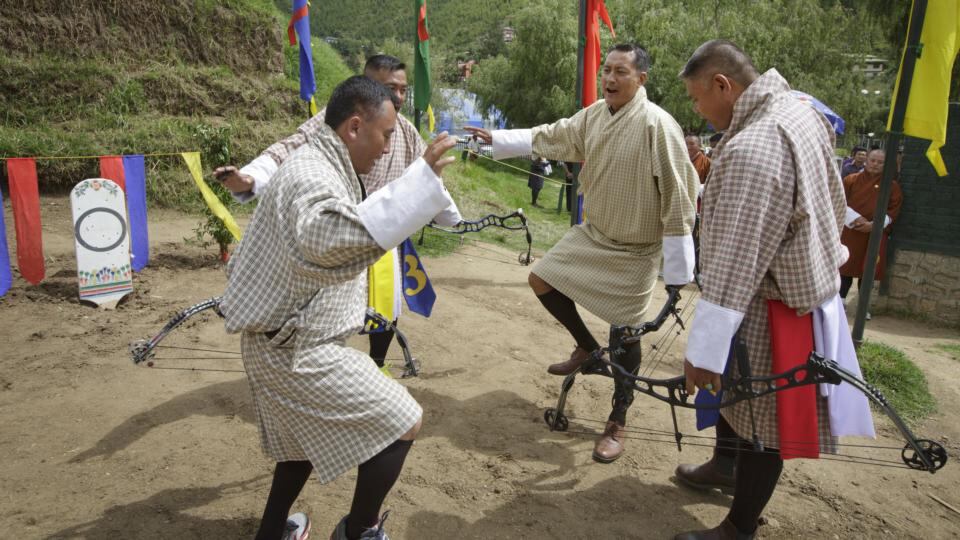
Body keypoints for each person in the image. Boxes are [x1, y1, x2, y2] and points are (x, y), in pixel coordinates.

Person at [219, 76, 459, 540]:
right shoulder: (313, 173)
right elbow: (323, 234)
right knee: (402, 421)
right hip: (295, 350)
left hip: (281, 340)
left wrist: (425, 193)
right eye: (386, 136)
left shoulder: (322, 161)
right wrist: (416, 190)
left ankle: (273, 532)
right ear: (353, 127)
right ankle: (359, 531)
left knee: (300, 443)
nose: (388, 148)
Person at [675, 40, 873, 540]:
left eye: (698, 99)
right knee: (739, 400)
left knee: (763, 417)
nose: (697, 110)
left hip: (772, 301)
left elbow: (736, 262)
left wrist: (704, 349)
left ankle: (739, 527)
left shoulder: (752, 147)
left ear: (724, 85)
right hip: (795, 287)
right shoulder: (799, 110)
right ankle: (725, 464)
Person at [468, 43, 698, 464]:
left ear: (641, 79)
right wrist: (502, 139)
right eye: (606, 70)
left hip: (636, 249)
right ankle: (588, 350)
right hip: (594, 235)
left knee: (625, 334)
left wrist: (679, 270)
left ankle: (618, 419)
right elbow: (555, 136)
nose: (609, 79)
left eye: (620, 72)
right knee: (541, 277)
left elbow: (681, 197)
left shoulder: (658, 125)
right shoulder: (593, 115)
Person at [214, 54, 461, 371]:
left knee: (384, 311)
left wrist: (452, 216)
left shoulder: (406, 131)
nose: (398, 98)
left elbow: (424, 178)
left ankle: (377, 366)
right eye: (390, 88)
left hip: (380, 235)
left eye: (403, 89)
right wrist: (251, 177)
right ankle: (318, 367)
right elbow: (291, 149)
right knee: (328, 314)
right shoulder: (330, 124)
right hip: (334, 233)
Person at [839, 148, 903, 302]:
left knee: (868, 268)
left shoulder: (892, 186)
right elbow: (839, 201)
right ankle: (840, 302)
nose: (875, 164)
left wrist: (874, 225)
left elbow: (893, 209)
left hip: (874, 234)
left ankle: (863, 305)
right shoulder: (851, 180)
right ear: (866, 160)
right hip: (852, 231)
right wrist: (855, 218)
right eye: (873, 160)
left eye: (880, 162)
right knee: (846, 267)